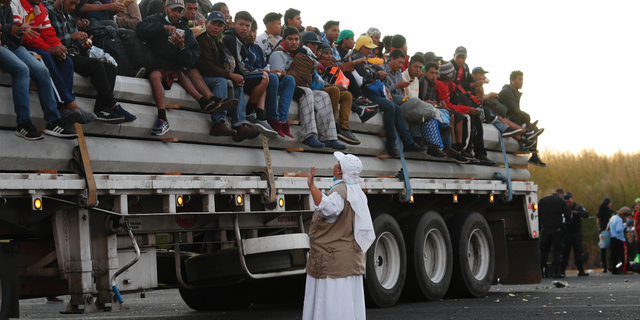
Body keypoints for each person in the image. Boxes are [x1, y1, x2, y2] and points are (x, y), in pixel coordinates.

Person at [136, 0, 230, 135]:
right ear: (165, 8)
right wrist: (163, 27)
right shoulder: (155, 19)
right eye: (174, 10)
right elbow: (140, 28)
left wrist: (182, 48)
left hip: (173, 66)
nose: (177, 14)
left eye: (180, 11)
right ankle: (166, 117)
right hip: (154, 62)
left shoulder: (186, 30)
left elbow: (190, 61)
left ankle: (164, 118)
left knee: (172, 72)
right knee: (158, 75)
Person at [302, 151, 374, 320]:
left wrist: (312, 187)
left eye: (337, 163)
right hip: (349, 259)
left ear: (340, 171)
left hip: (332, 261)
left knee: (331, 304)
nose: (334, 165)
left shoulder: (340, 191)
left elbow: (328, 209)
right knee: (347, 303)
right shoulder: (357, 191)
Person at [46, 0, 137, 123]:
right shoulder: (48, 12)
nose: (73, 7)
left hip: (73, 54)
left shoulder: (70, 18)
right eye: (71, 3)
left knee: (110, 67)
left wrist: (83, 46)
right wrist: (71, 37)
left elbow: (76, 47)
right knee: (95, 64)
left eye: (75, 5)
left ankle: (102, 109)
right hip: (59, 55)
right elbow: (48, 40)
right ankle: (113, 105)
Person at [11, 0, 97, 124]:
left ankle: (64, 109)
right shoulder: (14, 3)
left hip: (38, 44)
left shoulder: (41, 8)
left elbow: (49, 32)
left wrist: (58, 47)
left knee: (66, 61)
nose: (73, 7)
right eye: (72, 3)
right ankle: (68, 104)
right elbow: (23, 35)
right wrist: (49, 49)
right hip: (20, 45)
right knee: (45, 56)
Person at [0, 0, 77, 140]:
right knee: (22, 69)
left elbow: (18, 29)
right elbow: (14, 28)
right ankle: (23, 123)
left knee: (42, 71)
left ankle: (53, 121)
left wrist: (57, 47)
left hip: (13, 45)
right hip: (4, 45)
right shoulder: (15, 3)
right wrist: (9, 29)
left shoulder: (8, 5)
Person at [346, 35, 426, 156]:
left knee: (397, 108)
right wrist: (377, 74)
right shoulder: (358, 57)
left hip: (368, 92)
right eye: (368, 48)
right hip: (365, 93)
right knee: (390, 106)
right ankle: (391, 144)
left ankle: (408, 142)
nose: (370, 51)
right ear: (362, 47)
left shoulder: (360, 57)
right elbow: (367, 77)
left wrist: (374, 71)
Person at [190, 11, 263, 142]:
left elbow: (226, 61)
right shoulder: (202, 38)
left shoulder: (217, 40)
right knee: (221, 82)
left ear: (223, 28)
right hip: (199, 76)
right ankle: (218, 122)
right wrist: (230, 75)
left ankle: (238, 125)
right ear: (206, 23)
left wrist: (234, 77)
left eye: (220, 25)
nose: (216, 27)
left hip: (211, 74)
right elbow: (206, 66)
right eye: (213, 24)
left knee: (238, 83)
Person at [269, 27, 344, 149]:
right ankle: (308, 135)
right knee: (307, 91)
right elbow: (277, 80)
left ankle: (329, 137)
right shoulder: (278, 53)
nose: (294, 42)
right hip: (284, 89)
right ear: (283, 40)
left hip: (298, 86)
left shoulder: (301, 53)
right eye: (290, 39)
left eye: (296, 39)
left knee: (323, 95)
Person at [435, 62, 496, 165]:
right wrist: (467, 109)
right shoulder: (440, 84)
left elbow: (463, 92)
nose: (455, 73)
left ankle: (479, 152)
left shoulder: (450, 83)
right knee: (467, 116)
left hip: (451, 108)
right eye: (452, 71)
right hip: (444, 109)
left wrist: (477, 103)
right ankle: (464, 149)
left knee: (476, 117)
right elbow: (448, 104)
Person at [222, 11, 272, 127]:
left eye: (247, 26)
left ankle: (259, 115)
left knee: (265, 79)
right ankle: (249, 111)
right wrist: (258, 71)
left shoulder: (240, 39)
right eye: (241, 24)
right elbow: (240, 67)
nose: (244, 28)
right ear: (234, 24)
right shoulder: (232, 38)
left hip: (237, 72)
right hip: (232, 73)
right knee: (264, 78)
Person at [242, 19, 288, 138]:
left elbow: (264, 65)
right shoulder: (241, 45)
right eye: (249, 31)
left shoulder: (256, 48)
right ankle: (251, 112)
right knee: (266, 77)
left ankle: (263, 116)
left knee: (271, 78)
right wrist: (268, 71)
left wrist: (275, 71)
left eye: (254, 31)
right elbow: (245, 67)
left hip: (259, 78)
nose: (252, 34)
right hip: (246, 77)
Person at [419, 61, 469, 163]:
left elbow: (435, 99)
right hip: (425, 110)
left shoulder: (432, 83)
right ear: (425, 73)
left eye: (436, 73)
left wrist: (440, 102)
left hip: (433, 108)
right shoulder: (424, 82)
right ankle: (446, 147)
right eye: (431, 73)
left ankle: (450, 147)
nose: (434, 76)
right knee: (449, 115)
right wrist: (432, 103)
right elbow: (421, 100)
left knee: (451, 116)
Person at [498, 70, 546, 167]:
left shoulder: (515, 92)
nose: (521, 82)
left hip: (514, 118)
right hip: (506, 119)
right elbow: (514, 110)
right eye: (519, 80)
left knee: (533, 129)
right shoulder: (506, 92)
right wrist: (526, 118)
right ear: (512, 81)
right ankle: (526, 141)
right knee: (529, 125)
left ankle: (534, 155)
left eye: (522, 79)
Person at [315, 43, 358, 145]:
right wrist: (333, 86)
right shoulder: (315, 64)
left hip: (327, 90)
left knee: (347, 95)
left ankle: (344, 128)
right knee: (335, 90)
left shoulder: (332, 66)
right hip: (317, 91)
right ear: (319, 53)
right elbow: (314, 85)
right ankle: (332, 125)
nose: (329, 56)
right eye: (326, 53)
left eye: (330, 53)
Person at [538, 188, 571, 278]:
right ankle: (556, 272)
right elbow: (568, 214)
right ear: (561, 194)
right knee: (557, 251)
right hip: (557, 229)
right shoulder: (561, 201)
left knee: (544, 251)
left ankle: (541, 272)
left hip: (545, 229)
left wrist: (540, 226)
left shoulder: (543, 200)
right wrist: (566, 222)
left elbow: (538, 214)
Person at [560, 192, 590, 276]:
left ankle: (581, 271)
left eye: (568, 199)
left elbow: (586, 214)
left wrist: (577, 213)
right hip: (567, 233)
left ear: (572, 198)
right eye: (565, 199)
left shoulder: (578, 207)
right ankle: (562, 271)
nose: (567, 201)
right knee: (565, 253)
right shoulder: (563, 208)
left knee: (578, 252)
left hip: (576, 233)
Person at [609, 207, 630, 274]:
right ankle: (625, 269)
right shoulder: (619, 219)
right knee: (624, 254)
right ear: (623, 214)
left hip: (612, 238)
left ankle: (614, 269)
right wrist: (624, 226)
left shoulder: (613, 217)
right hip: (620, 239)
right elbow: (618, 229)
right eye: (626, 215)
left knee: (614, 255)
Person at [596, 197, 614, 272]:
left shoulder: (599, 212)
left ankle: (604, 267)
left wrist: (600, 230)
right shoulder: (610, 211)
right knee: (611, 249)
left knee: (603, 250)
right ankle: (610, 265)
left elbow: (598, 222)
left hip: (601, 231)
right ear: (608, 204)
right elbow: (611, 222)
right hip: (608, 231)